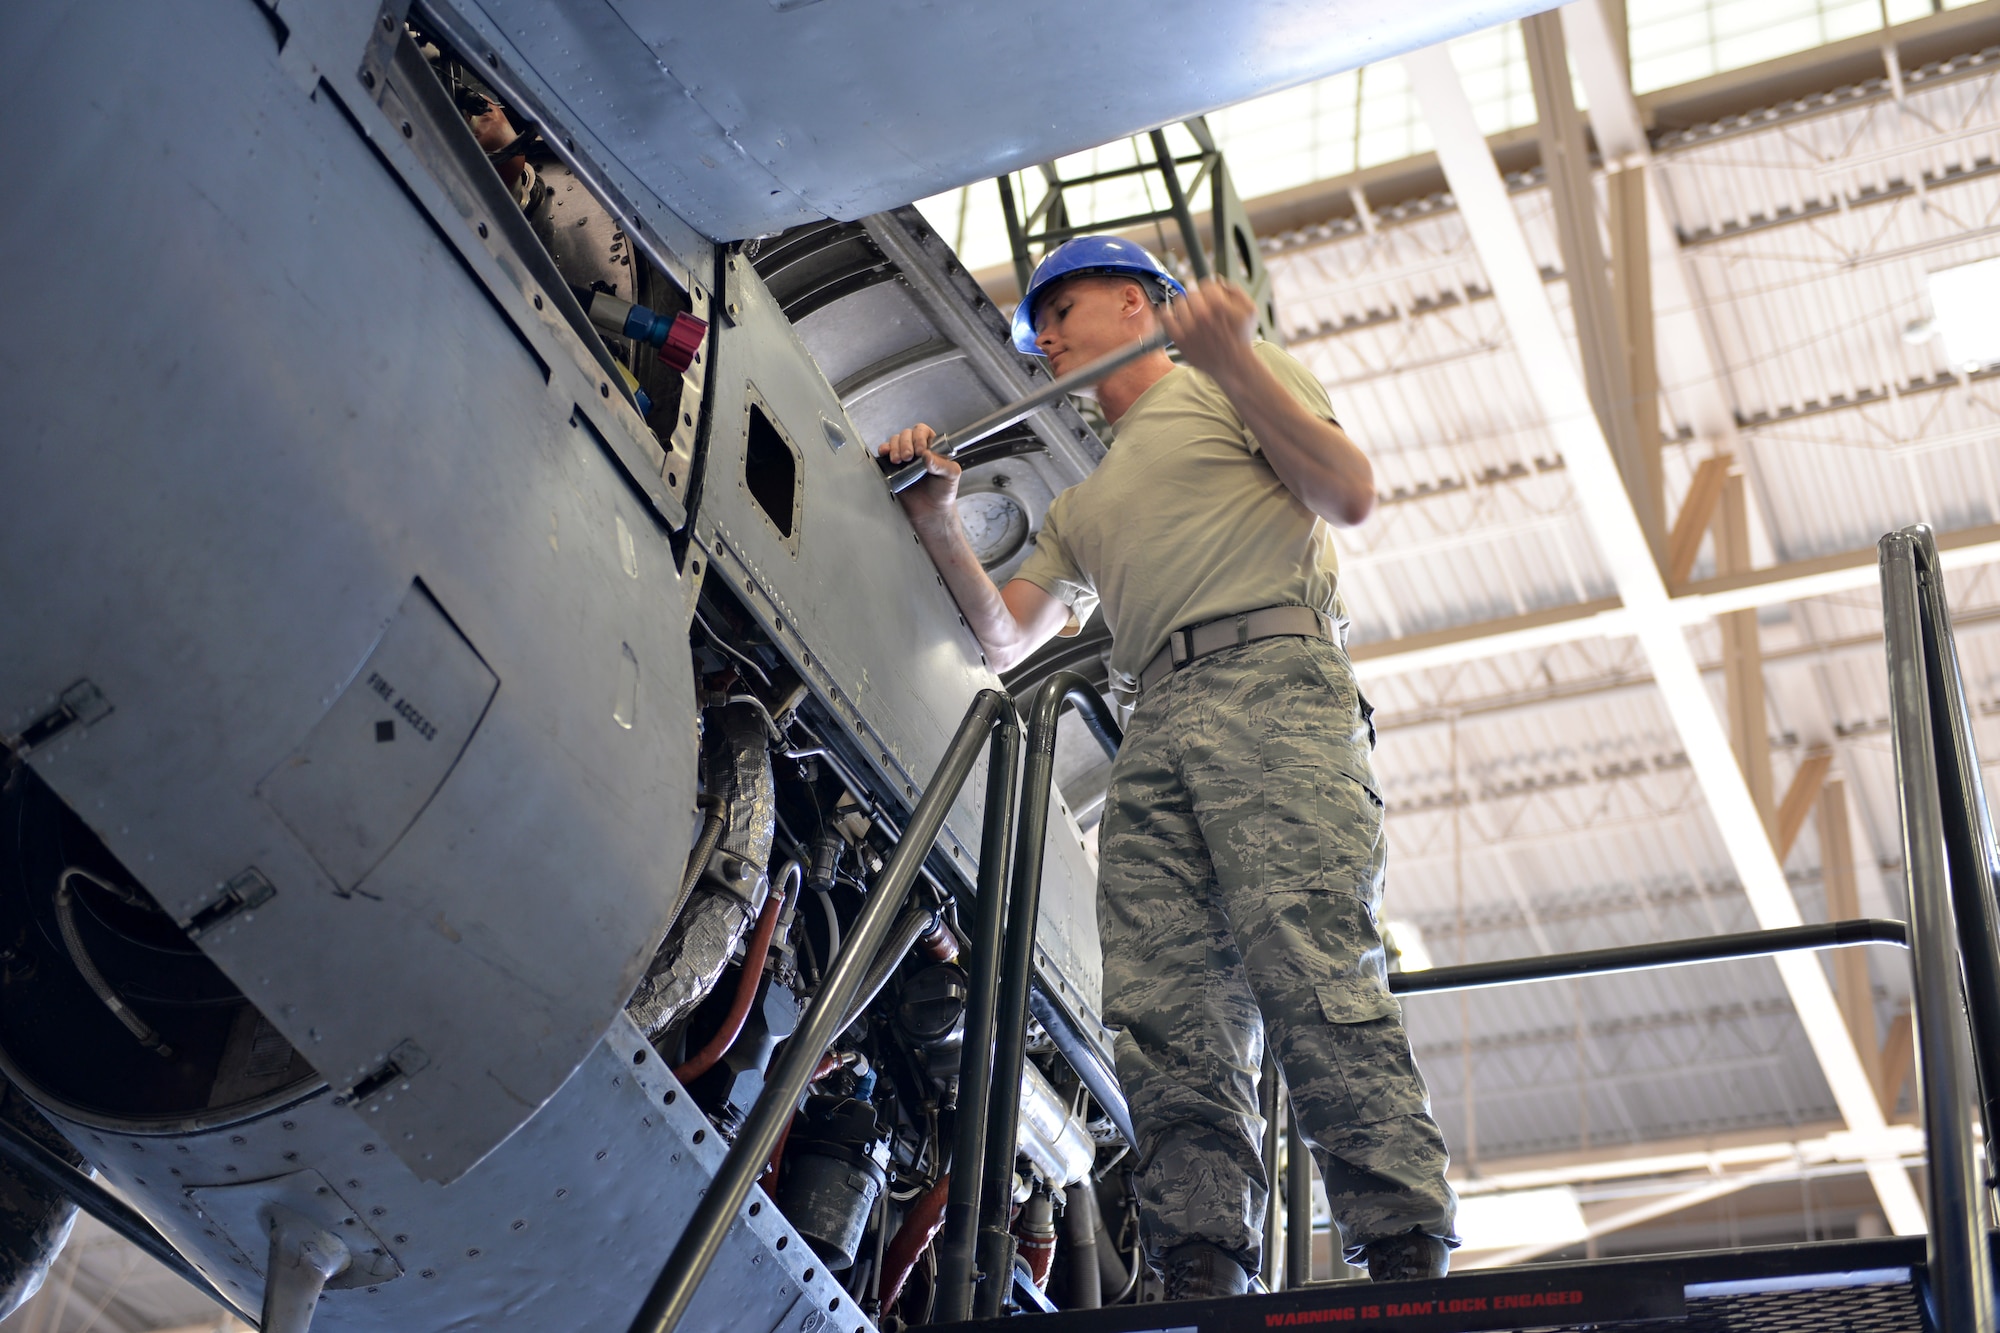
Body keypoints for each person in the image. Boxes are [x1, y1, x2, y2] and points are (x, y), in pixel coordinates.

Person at [878, 236, 1457, 1298]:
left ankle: (1399, 1240)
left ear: (1142, 305)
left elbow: (1346, 492)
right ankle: (1201, 1254)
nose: (1044, 334)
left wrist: (1233, 359)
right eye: (1036, 322)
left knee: (1310, 961)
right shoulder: (1084, 505)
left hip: (1271, 679)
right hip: (1158, 721)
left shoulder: (1231, 382)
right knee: (1163, 1004)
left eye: (1062, 308)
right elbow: (1006, 641)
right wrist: (934, 515)